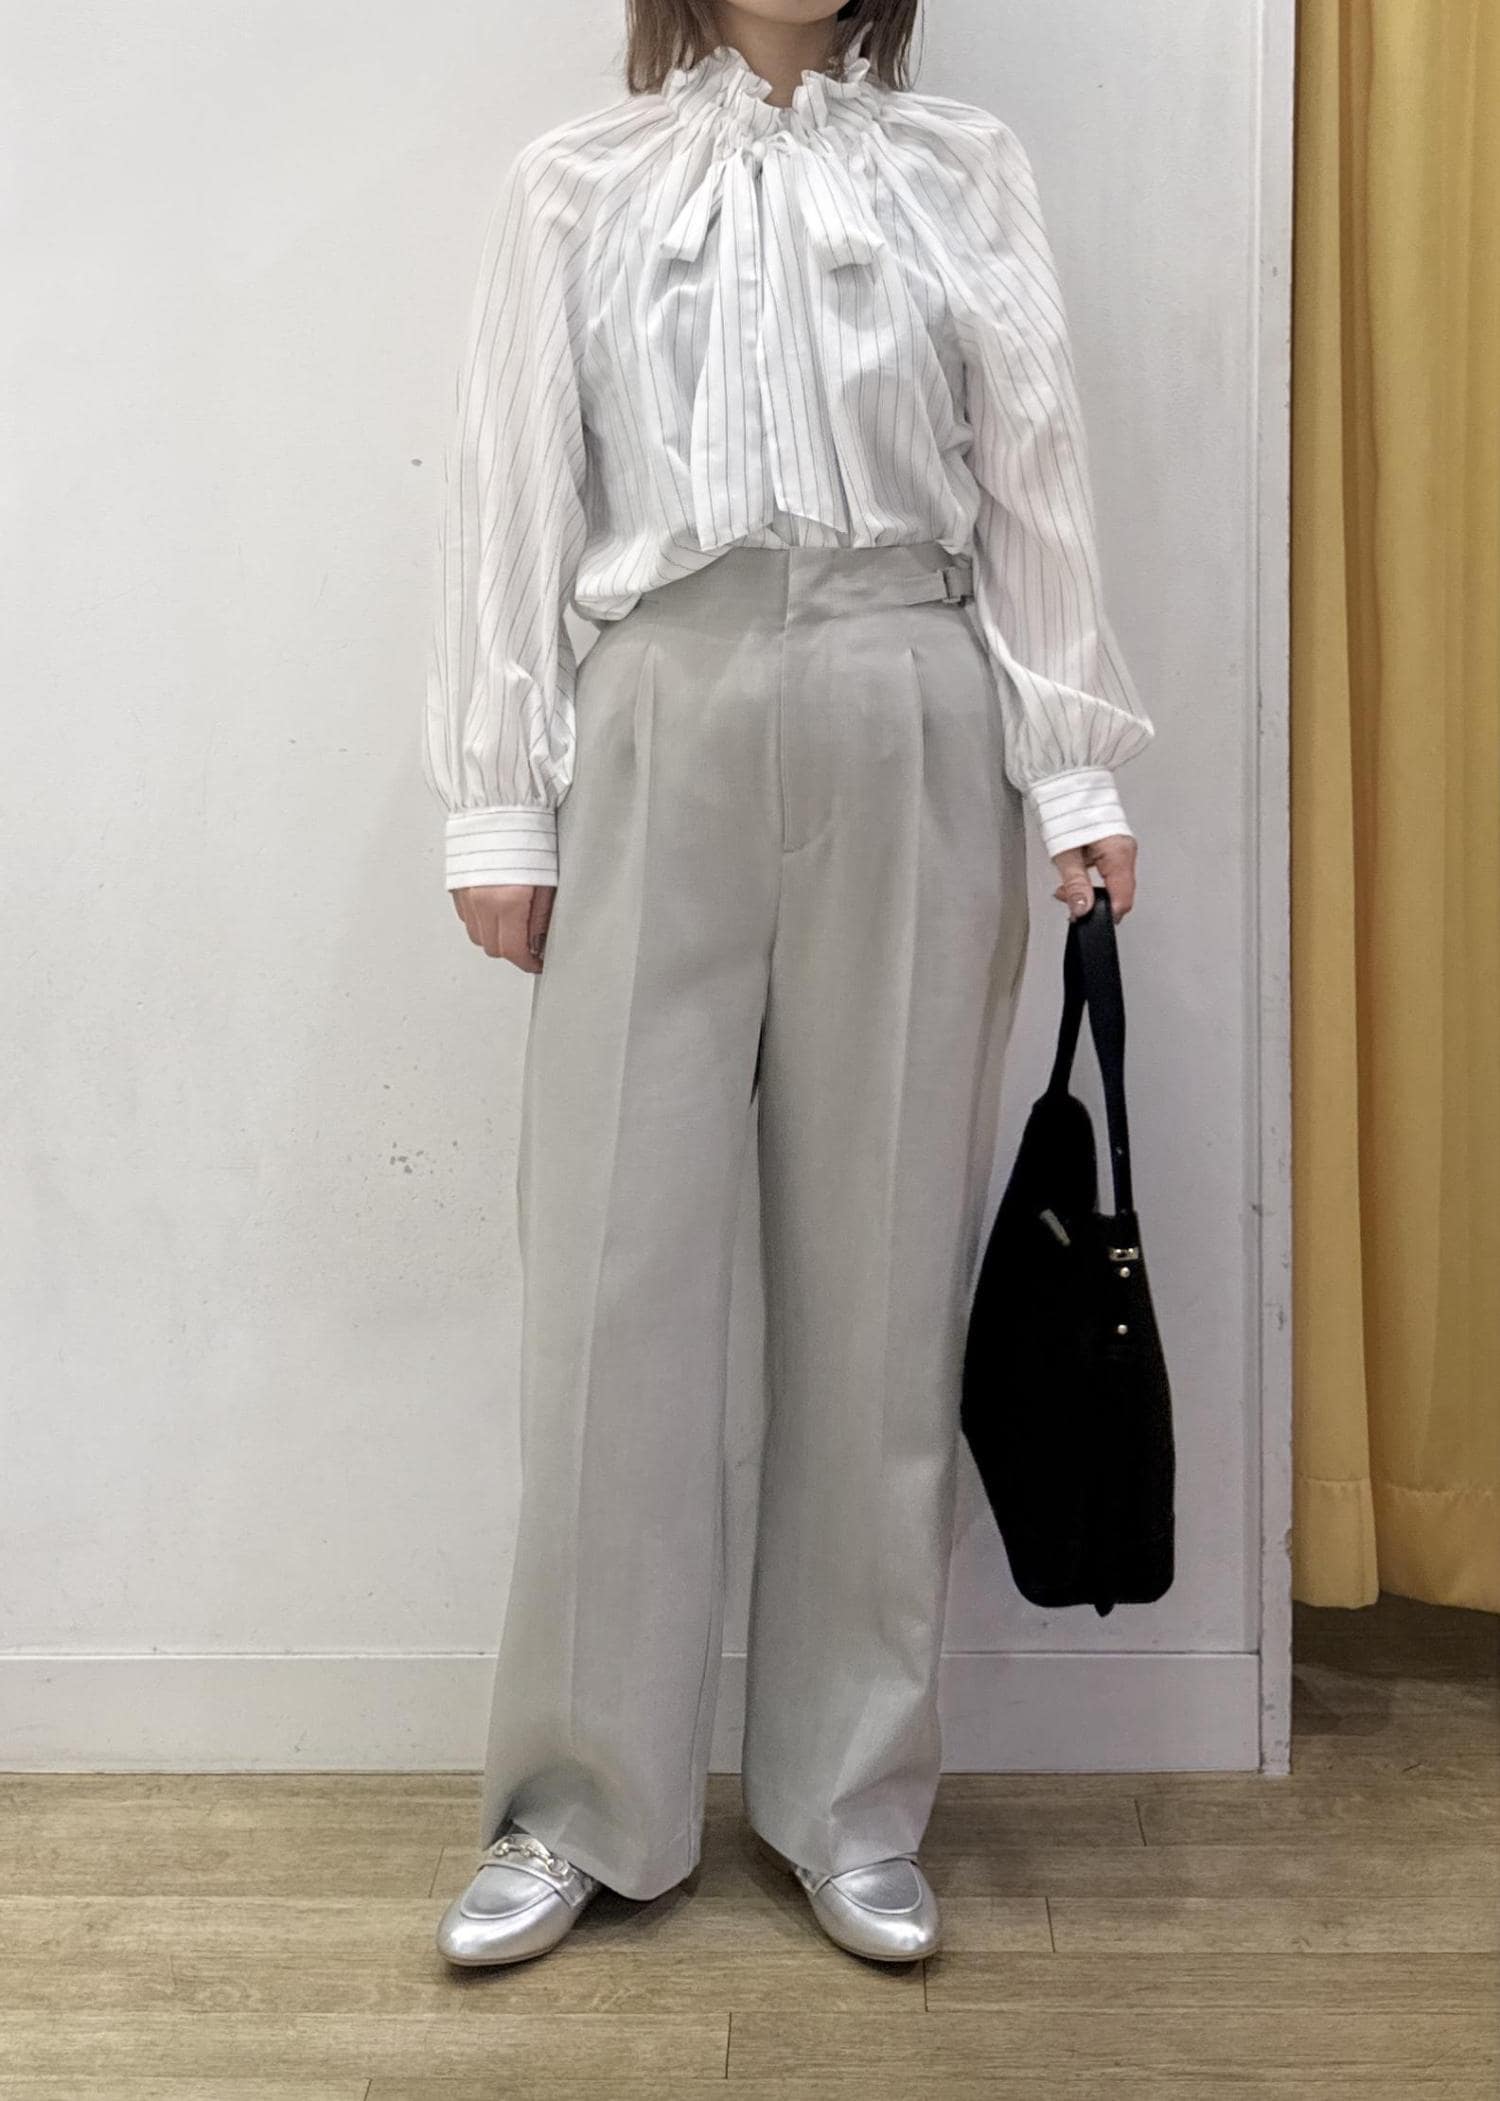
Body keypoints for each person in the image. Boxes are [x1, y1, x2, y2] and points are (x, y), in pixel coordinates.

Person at [422, 0, 1153, 1967]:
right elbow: (512, 489)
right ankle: (579, 1800)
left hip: (909, 692)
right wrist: (498, 801)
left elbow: (1033, 473)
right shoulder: (573, 187)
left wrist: (1077, 769)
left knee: (882, 1283)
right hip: (656, 696)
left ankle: (851, 1796)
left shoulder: (960, 170)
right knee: (613, 1287)